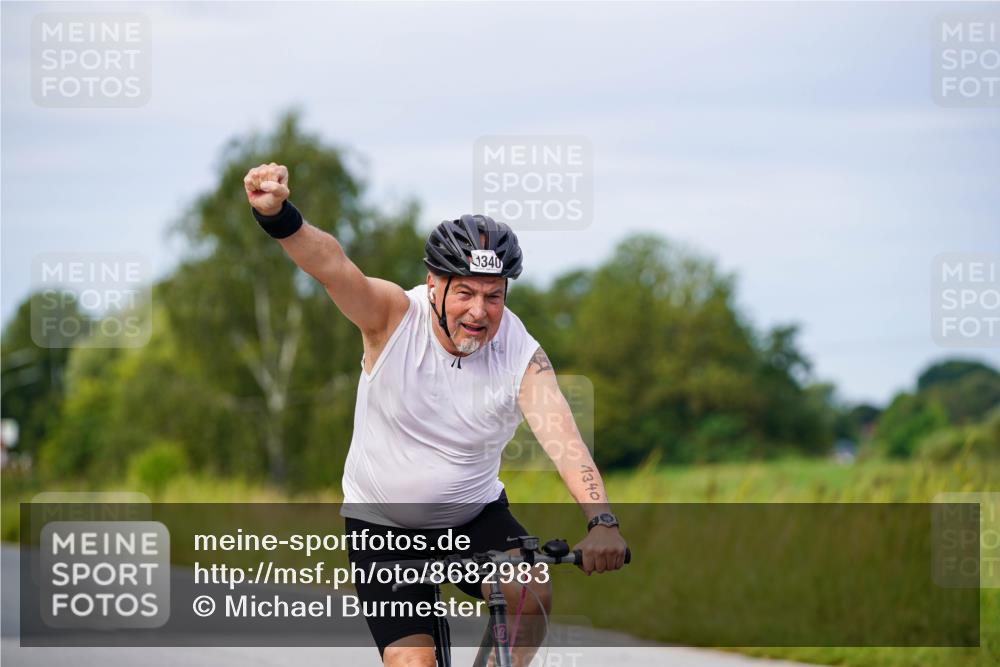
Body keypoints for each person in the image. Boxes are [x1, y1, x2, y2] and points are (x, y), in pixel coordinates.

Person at [244, 162, 627, 667]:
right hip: (381, 526)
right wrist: (278, 216)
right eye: (465, 292)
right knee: (413, 663)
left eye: (493, 296)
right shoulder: (391, 318)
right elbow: (332, 266)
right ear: (433, 285)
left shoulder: (520, 351)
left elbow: (565, 440)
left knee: (531, 590)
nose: (479, 311)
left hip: (472, 517)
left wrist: (601, 520)